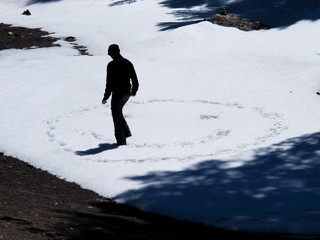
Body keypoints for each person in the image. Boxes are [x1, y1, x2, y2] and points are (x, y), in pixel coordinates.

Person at [102, 44, 139, 145]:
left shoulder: (111, 65)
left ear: (111, 54)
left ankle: (121, 142)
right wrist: (134, 90)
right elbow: (134, 78)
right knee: (118, 112)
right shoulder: (127, 62)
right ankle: (126, 132)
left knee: (116, 115)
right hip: (127, 92)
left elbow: (109, 83)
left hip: (118, 93)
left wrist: (106, 97)